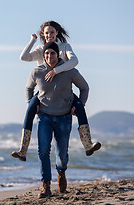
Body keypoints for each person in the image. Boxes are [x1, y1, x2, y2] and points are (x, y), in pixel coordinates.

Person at [12, 21, 101, 161]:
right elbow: (23, 57)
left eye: (52, 32)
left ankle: (88, 145)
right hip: (44, 92)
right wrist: (32, 40)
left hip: (63, 90)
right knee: (29, 109)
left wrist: (56, 70)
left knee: (80, 107)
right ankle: (23, 150)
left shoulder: (65, 47)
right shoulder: (41, 49)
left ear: (57, 33)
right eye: (46, 33)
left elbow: (74, 61)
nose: (49, 35)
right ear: (43, 34)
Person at [26, 41, 89, 197]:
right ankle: (45, 185)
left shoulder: (70, 71)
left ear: (58, 54)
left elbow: (85, 87)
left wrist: (79, 106)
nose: (49, 56)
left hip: (63, 117)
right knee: (43, 151)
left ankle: (61, 172)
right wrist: (33, 106)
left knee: (61, 155)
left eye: (52, 53)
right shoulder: (37, 72)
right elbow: (28, 88)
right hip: (44, 117)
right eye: (46, 53)